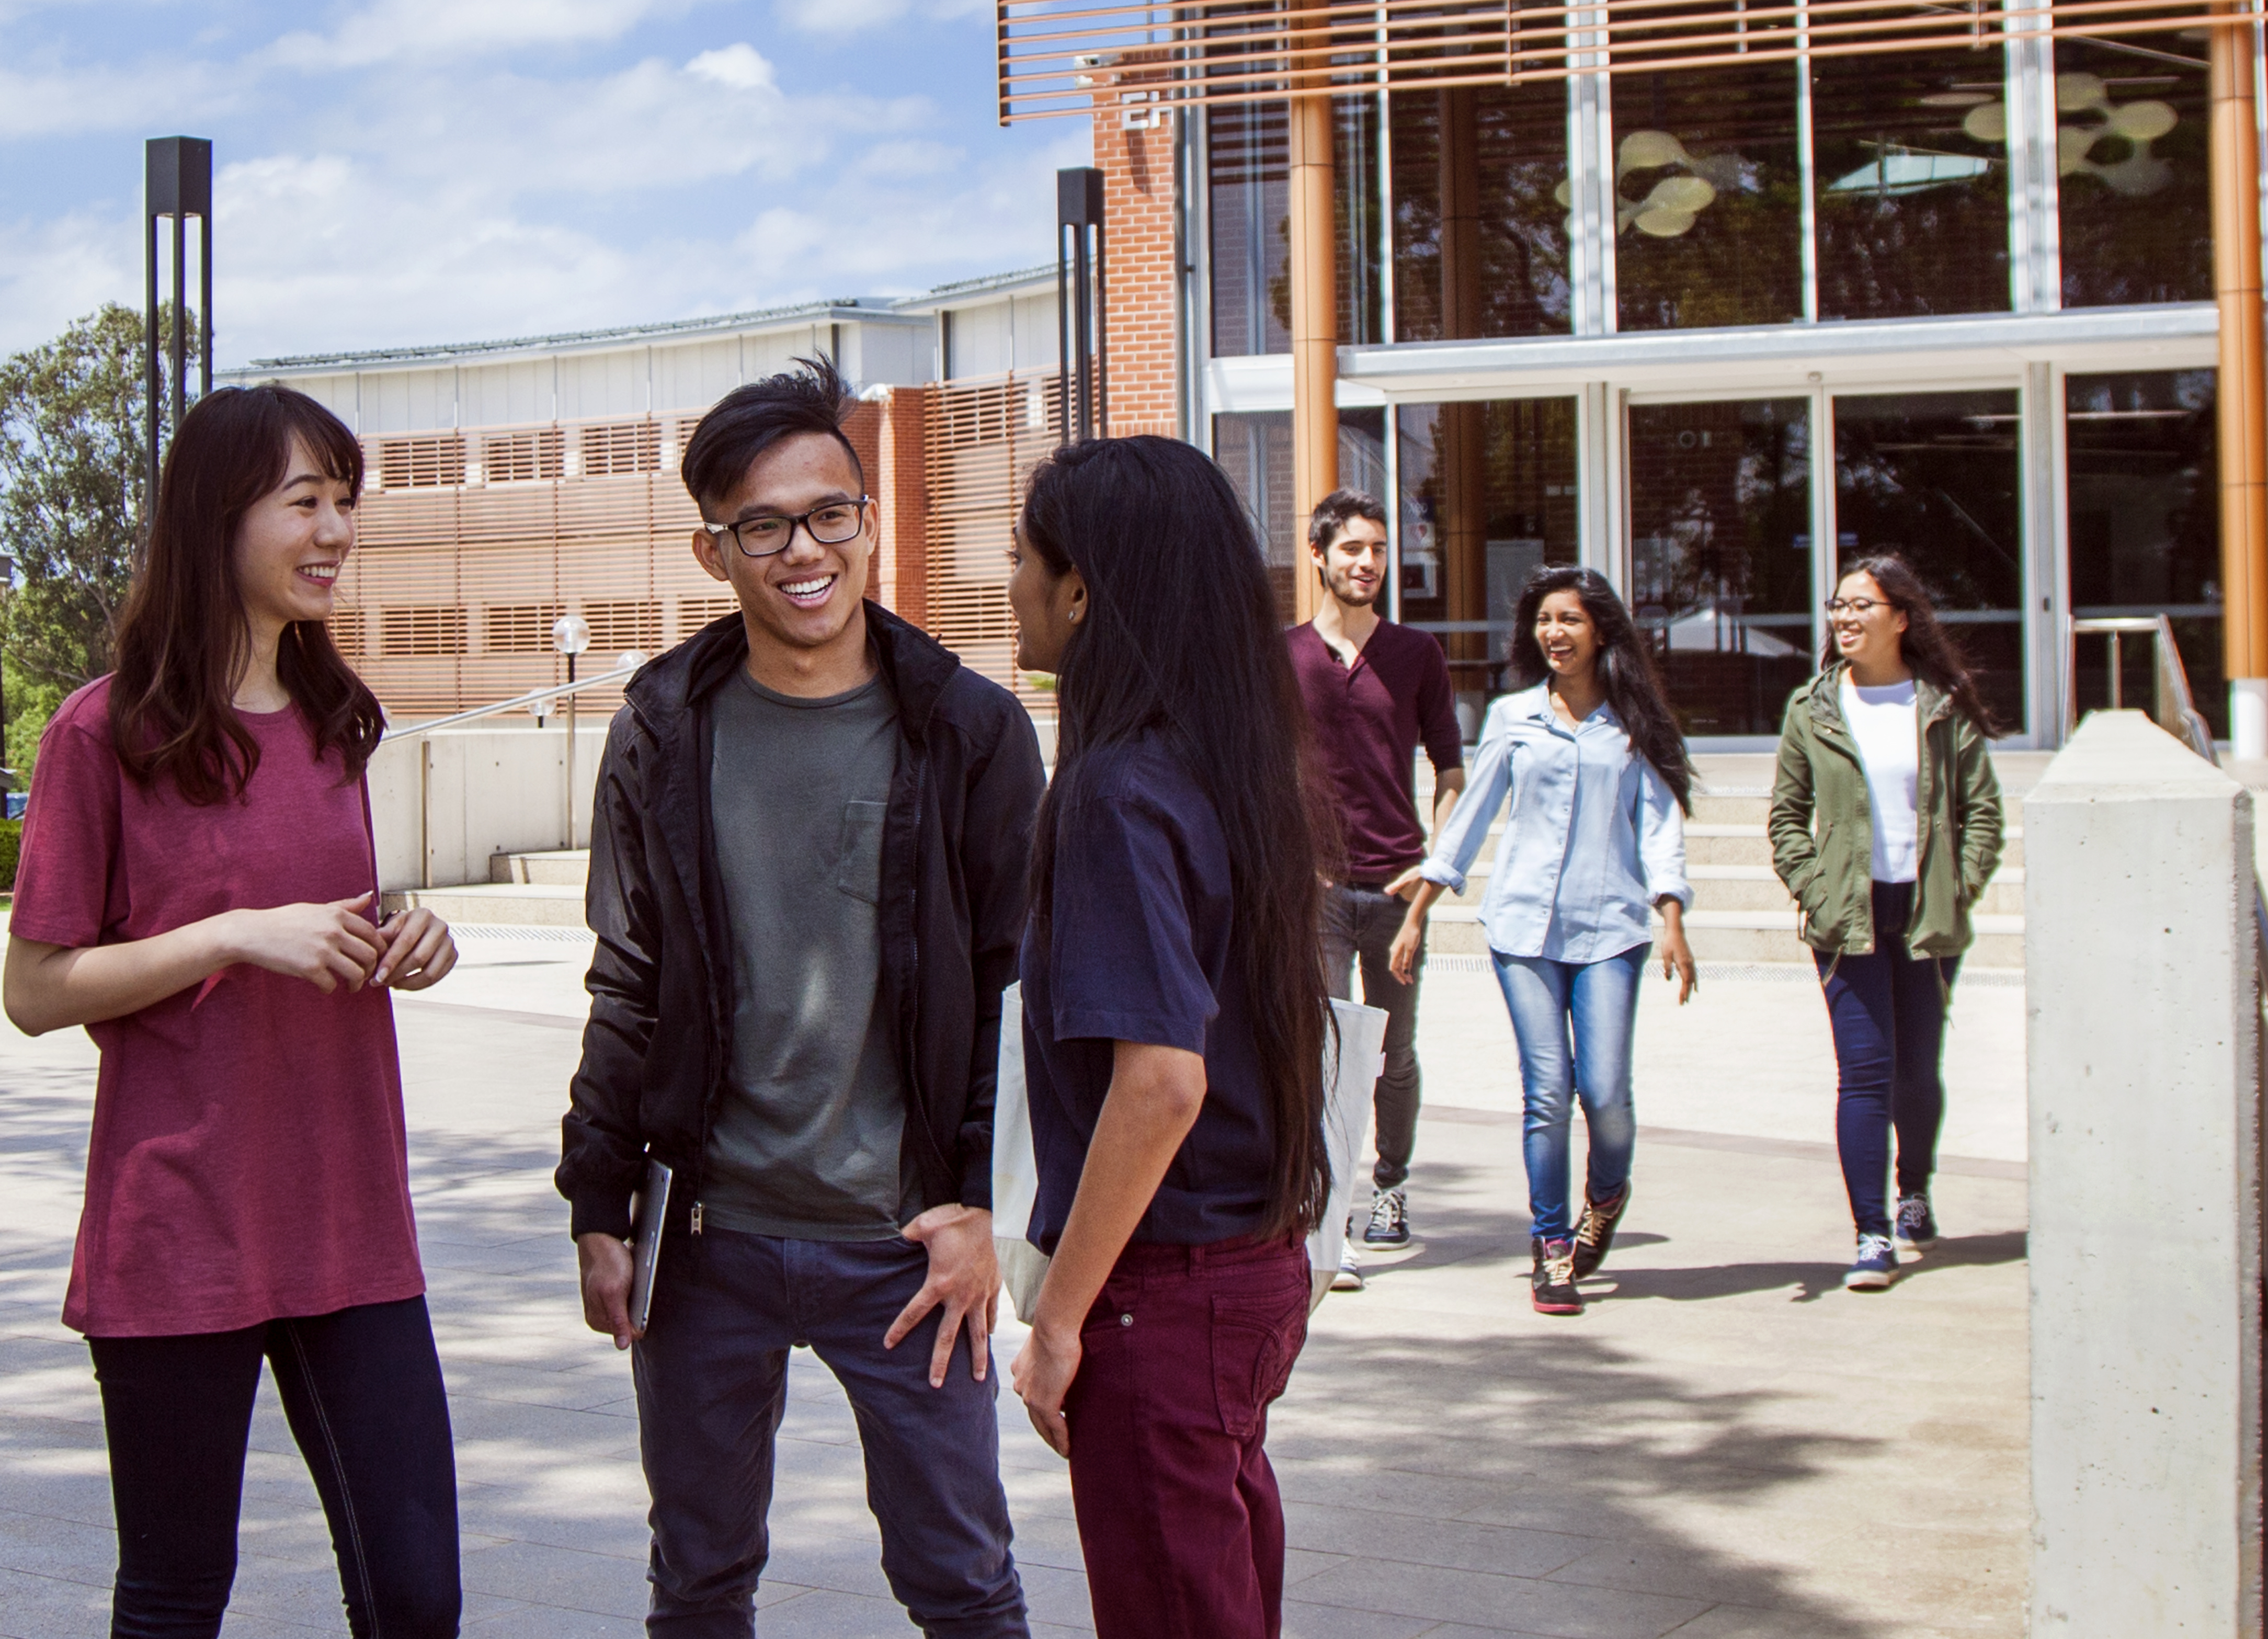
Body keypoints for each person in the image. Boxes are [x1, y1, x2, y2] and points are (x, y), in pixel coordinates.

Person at [556, 356, 1043, 1639]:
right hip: (707, 1239)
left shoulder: (970, 729)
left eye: (832, 512)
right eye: (762, 526)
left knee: (966, 1586)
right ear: (715, 551)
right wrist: (599, 1203)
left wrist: (983, 1208)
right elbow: (629, 975)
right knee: (700, 1586)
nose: (804, 550)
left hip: (909, 1244)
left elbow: (1013, 990)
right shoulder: (662, 723)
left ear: (871, 519)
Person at [2, 383, 463, 1638]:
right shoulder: (104, 736)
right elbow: (33, 990)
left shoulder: (336, 723)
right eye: (305, 502)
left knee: (418, 1598)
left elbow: (331, 920)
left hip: (352, 1225)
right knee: (173, 1598)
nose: (336, 533)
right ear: (217, 518)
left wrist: (411, 936)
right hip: (179, 1233)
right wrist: (224, 939)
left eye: (346, 504)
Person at [1003, 437, 1335, 1639]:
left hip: (1169, 1291)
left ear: (1081, 589)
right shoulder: (1231, 768)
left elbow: (1160, 1083)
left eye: (1021, 560)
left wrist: (1057, 1322)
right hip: (1250, 1271)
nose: (1010, 586)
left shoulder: (1114, 791)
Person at [1391, 564, 1693, 1317]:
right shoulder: (1514, 716)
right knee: (1549, 1092)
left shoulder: (1632, 723)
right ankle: (1551, 1245)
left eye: (1571, 620)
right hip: (1522, 929)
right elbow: (1473, 813)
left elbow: (1657, 823)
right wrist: (1423, 901)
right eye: (1545, 620)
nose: (1555, 633)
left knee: (1608, 1095)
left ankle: (1608, 1191)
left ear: (1601, 631)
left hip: (1610, 930)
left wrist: (1673, 919)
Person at [1767, 553, 2007, 1293]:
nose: (1845, 618)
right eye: (1839, 606)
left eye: (1862, 606)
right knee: (1864, 1074)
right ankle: (1871, 1232)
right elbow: (1785, 820)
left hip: (1925, 912)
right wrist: (1816, 889)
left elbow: (1983, 815)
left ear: (1901, 617)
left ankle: (1915, 1187)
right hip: (1849, 914)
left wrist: (1956, 888)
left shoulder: (1942, 704)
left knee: (1916, 1071)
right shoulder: (1812, 707)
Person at [1286, 487, 1464, 1272]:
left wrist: (1435, 869)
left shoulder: (1417, 655)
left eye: (1379, 550)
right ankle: (1324, 1213)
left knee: (1395, 1053)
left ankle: (1388, 1191)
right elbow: (1259, 769)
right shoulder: (1281, 656)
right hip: (1317, 893)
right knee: (1322, 1052)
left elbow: (1450, 768)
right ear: (1319, 556)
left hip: (1397, 891)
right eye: (1353, 549)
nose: (1368, 563)